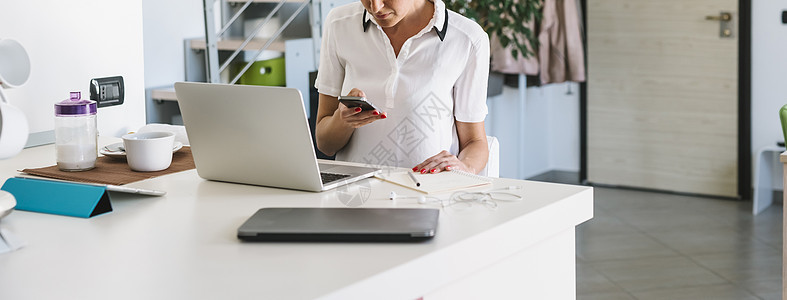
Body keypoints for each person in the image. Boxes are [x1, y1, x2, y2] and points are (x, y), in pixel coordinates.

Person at [314, 0, 490, 174]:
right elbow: (325, 145)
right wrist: (343, 120)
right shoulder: (339, 24)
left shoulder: (467, 39)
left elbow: (474, 141)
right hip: (355, 195)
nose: (375, 7)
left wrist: (465, 166)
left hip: (430, 194)